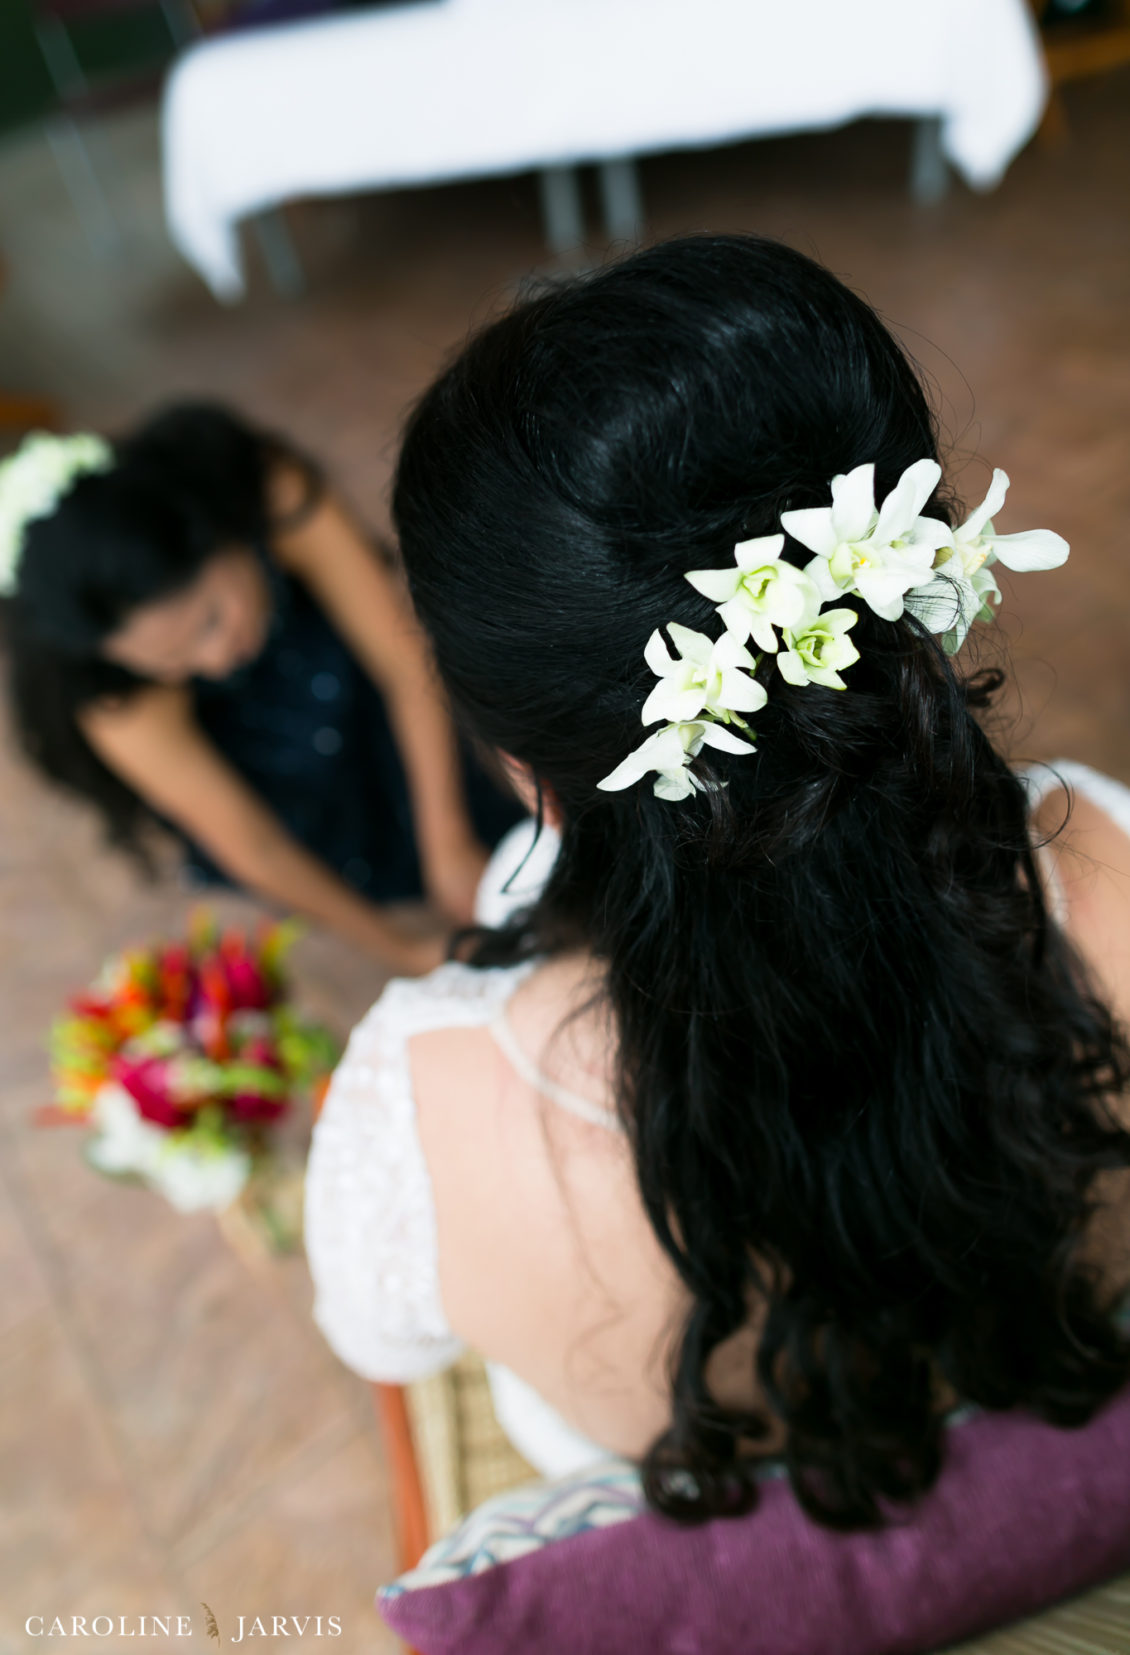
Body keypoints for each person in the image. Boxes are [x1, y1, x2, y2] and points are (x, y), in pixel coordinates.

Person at [305, 236, 1130, 1526]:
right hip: (1061, 1424)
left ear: (523, 762)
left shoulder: (421, 1104)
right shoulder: (1111, 853)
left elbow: (382, 1341)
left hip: (718, 1528)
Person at [0, 404, 521, 973]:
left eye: (211, 621)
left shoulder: (262, 485)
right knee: (339, 844)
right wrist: (402, 950)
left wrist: (448, 842)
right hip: (253, 753)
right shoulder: (104, 687)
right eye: (168, 661)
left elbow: (401, 663)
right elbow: (256, 847)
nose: (213, 661)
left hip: (330, 664)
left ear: (222, 534)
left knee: (450, 786)